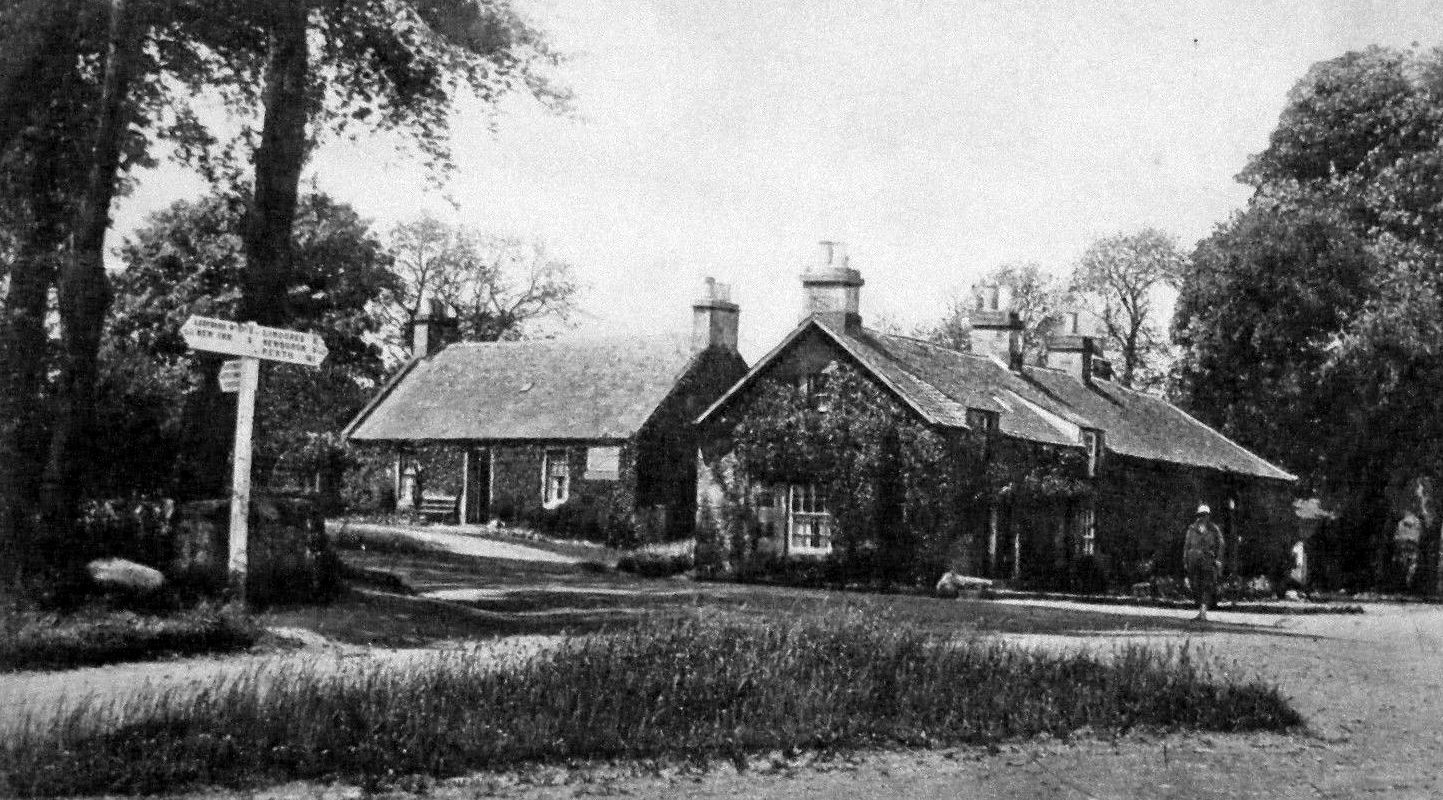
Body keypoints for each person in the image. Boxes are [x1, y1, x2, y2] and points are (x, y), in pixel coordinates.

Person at [1183, 504, 1225, 621]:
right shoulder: (1192, 529)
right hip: (1193, 561)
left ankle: (1203, 611)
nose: (1202, 517)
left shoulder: (1214, 529)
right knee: (1195, 586)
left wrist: (1218, 559)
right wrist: (1185, 560)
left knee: (1207, 586)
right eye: (1200, 515)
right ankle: (1201, 611)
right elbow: (1187, 546)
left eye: (1204, 515)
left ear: (1208, 516)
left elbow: (1220, 545)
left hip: (1207, 560)